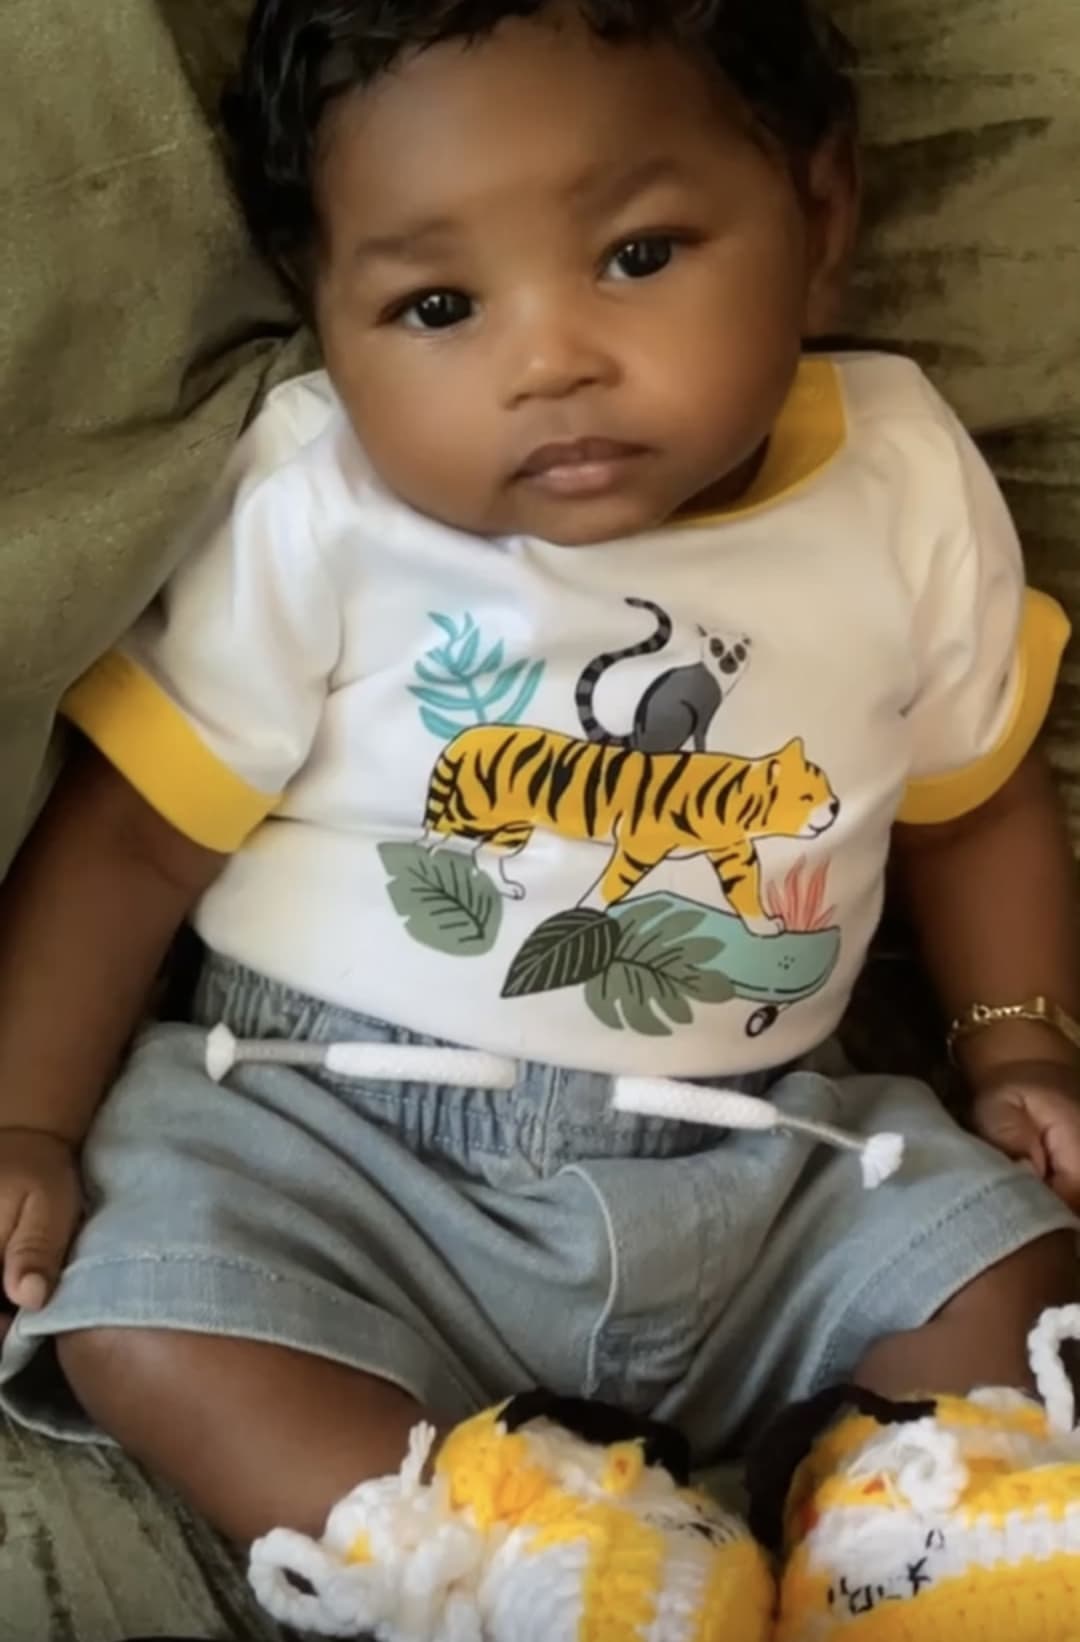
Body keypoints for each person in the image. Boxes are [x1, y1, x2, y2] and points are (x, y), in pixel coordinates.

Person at [1, 0, 1078, 1632]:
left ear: (821, 213)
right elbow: (133, 837)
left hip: (763, 1157)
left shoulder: (904, 483)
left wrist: (1016, 1040)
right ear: (325, 308)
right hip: (336, 1148)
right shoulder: (316, 504)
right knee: (137, 1310)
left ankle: (911, 1522)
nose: (551, 356)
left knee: (1004, 1260)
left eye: (639, 256)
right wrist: (23, 1120)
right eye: (438, 306)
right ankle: (503, 1550)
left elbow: (973, 801)